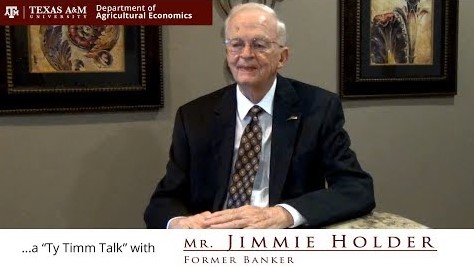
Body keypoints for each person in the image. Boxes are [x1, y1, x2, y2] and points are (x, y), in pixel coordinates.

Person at [144, 3, 375, 229]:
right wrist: (180, 223)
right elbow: (163, 202)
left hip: (279, 239)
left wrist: (284, 214)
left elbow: (356, 188)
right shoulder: (194, 116)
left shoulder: (318, 108)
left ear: (282, 57)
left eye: (259, 44)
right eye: (236, 44)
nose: (245, 54)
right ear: (227, 53)